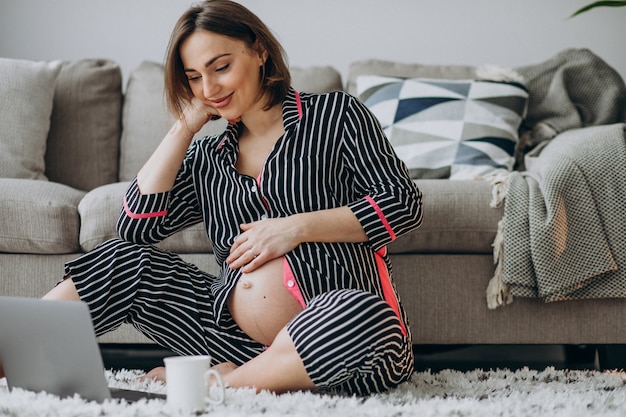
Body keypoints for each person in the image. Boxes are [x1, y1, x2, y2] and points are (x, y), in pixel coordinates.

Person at [40, 0, 423, 395]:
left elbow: (402, 202)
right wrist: (183, 129)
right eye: (193, 77)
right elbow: (136, 228)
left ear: (259, 51)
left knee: (361, 317)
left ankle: (217, 383)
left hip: (344, 337)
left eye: (220, 67)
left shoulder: (334, 115)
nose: (209, 89)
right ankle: (12, 355)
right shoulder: (208, 157)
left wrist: (294, 228)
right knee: (119, 260)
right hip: (232, 342)